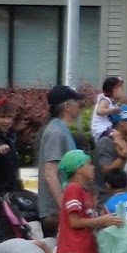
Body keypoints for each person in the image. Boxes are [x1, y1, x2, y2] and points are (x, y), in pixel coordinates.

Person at [37, 85, 83, 237]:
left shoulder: (61, 130)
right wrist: (65, 207)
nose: (79, 105)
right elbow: (50, 174)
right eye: (76, 102)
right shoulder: (55, 132)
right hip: (55, 211)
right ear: (67, 106)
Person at [91, 76, 125, 141]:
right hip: (101, 130)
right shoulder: (105, 100)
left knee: (119, 135)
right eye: (121, 89)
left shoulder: (111, 101)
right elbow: (99, 111)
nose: (122, 92)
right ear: (115, 90)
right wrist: (114, 110)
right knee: (117, 135)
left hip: (106, 128)